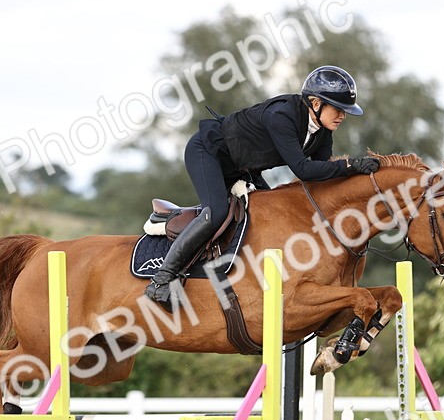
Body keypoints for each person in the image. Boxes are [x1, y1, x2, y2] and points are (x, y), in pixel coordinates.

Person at [144, 65, 381, 305]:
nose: (343, 116)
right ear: (316, 103)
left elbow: (321, 175)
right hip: (209, 152)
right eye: (338, 109)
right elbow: (302, 169)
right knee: (217, 213)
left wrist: (359, 182)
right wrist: (351, 166)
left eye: (345, 111)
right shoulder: (282, 116)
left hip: (242, 167)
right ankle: (162, 279)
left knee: (275, 215)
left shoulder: (322, 131)